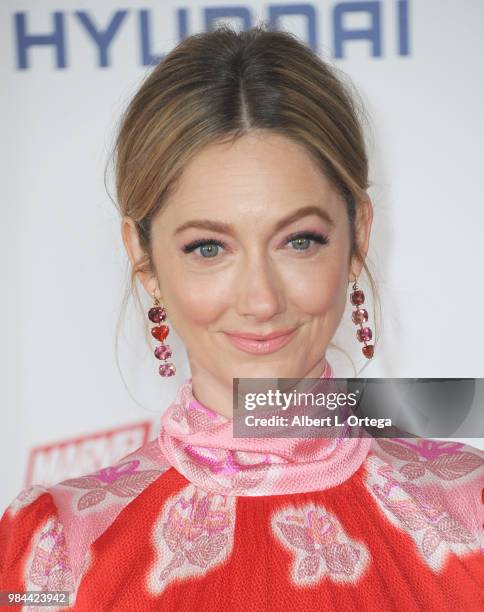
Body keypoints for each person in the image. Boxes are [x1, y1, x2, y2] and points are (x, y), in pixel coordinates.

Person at [1, 24, 482, 612]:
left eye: (299, 241)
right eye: (209, 248)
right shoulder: (51, 551)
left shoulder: (473, 511)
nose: (260, 300)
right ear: (144, 258)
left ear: (358, 237)